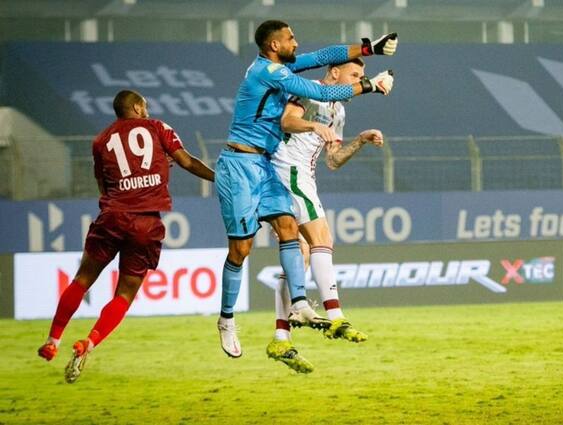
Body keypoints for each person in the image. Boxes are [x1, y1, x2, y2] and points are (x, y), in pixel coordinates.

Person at [214, 19, 397, 373]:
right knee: (254, 248)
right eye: (289, 38)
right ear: (273, 45)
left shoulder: (292, 71)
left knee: (292, 239)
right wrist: (370, 86)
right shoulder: (280, 76)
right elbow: (306, 106)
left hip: (267, 167)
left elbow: (322, 56)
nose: (296, 42)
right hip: (256, 165)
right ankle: (234, 319)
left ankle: (287, 327)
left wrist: (368, 48)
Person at [36, 90, 215, 383]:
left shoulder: (100, 141)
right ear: (135, 106)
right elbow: (187, 162)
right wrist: (220, 179)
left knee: (82, 279)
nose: (147, 109)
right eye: (144, 104)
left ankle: (53, 340)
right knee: (125, 293)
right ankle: (88, 343)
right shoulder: (158, 128)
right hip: (146, 224)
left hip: (113, 218)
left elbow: (104, 187)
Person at [270, 58, 383, 352]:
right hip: (289, 171)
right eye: (354, 74)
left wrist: (360, 140)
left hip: (304, 176)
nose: (359, 80)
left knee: (301, 252)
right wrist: (312, 126)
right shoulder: (309, 91)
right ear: (335, 72)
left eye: (363, 76)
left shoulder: (339, 110)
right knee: (323, 239)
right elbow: (286, 121)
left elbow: (332, 160)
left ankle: (282, 337)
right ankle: (336, 316)